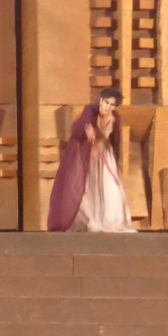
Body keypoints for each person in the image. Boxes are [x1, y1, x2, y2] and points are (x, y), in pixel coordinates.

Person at [47, 87, 136, 233]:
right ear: (101, 100)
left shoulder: (115, 118)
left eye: (112, 104)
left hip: (105, 154)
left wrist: (115, 158)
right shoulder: (90, 110)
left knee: (109, 188)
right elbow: (78, 128)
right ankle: (89, 219)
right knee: (88, 188)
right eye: (106, 102)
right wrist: (86, 131)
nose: (107, 107)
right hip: (90, 156)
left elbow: (115, 140)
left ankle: (111, 221)